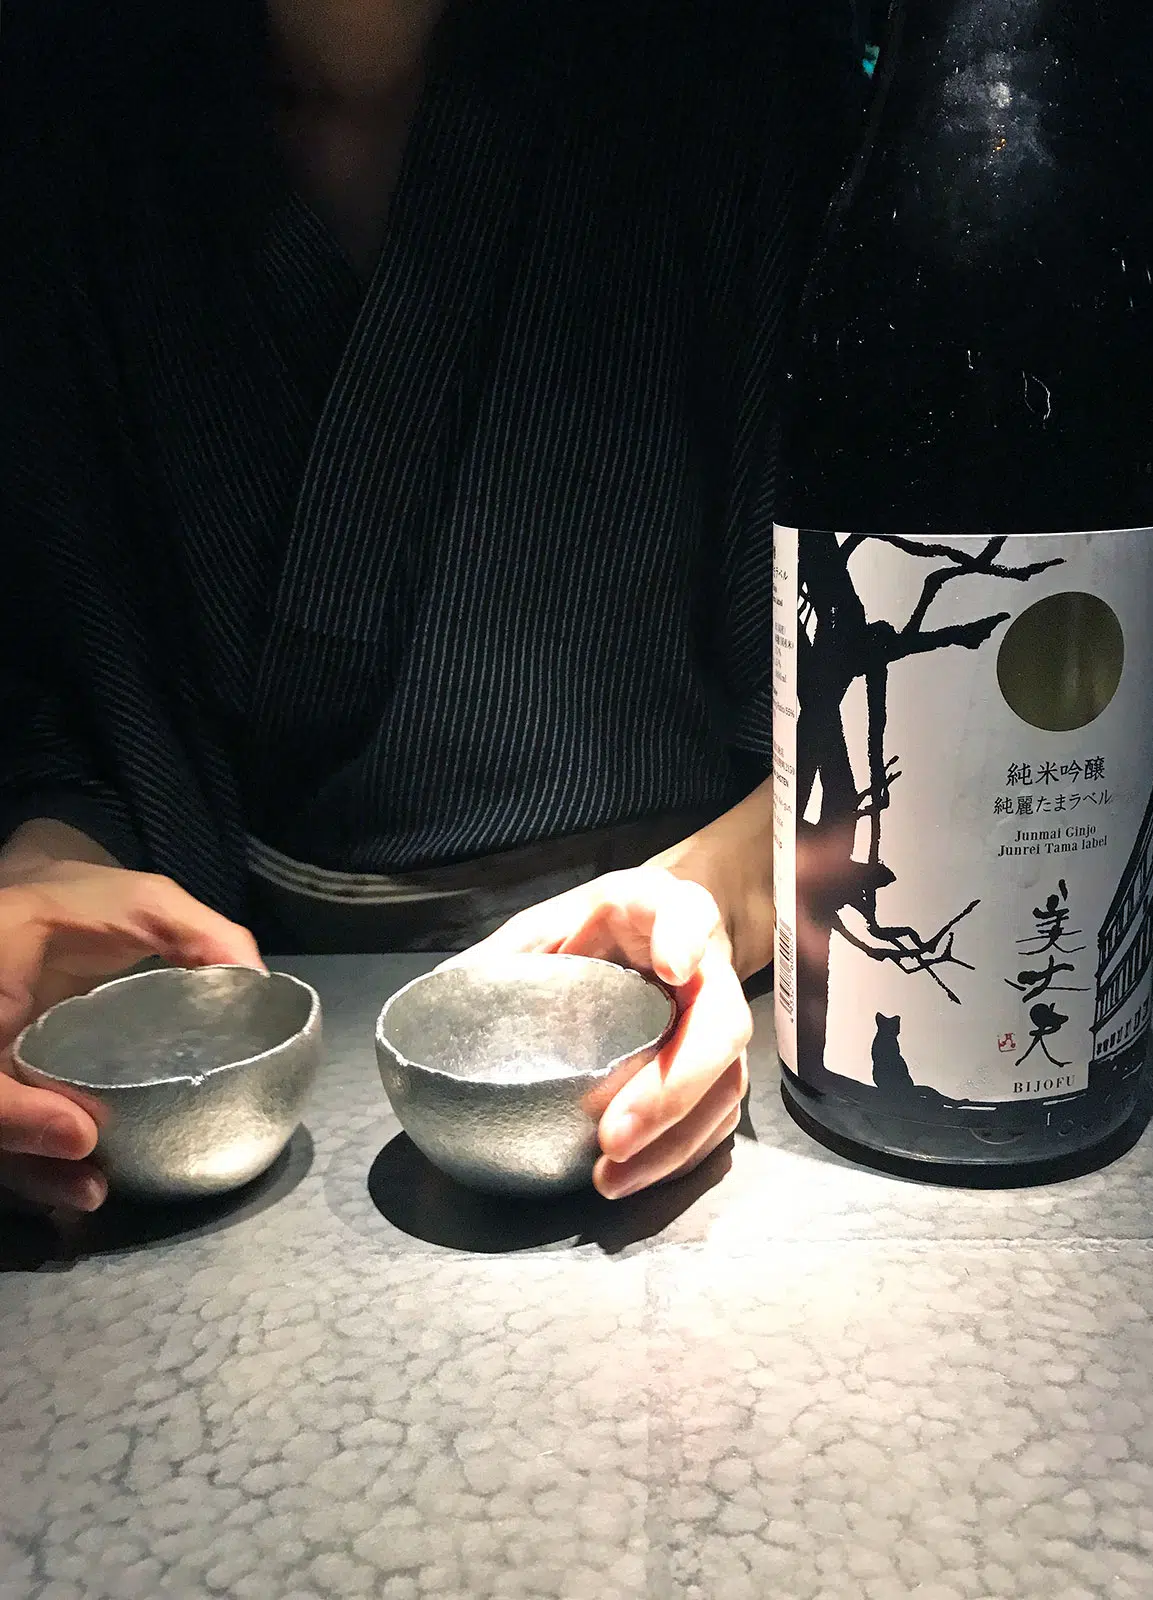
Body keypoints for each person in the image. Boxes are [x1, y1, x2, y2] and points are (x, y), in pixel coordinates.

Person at [0, 0, 863, 1213]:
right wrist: (42, 878)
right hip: (219, 1069)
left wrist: (717, 899)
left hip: (691, 1029)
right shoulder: (64, 117)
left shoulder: (741, 78)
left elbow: (883, 687)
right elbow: (60, 688)